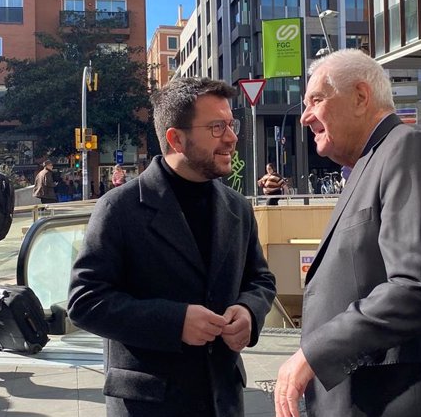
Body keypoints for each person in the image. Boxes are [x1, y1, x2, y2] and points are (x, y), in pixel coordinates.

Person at [274, 49, 421, 417]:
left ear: (360, 97)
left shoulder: (409, 148)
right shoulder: (374, 160)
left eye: (316, 100)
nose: (305, 117)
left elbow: (417, 286)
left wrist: (314, 353)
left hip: (415, 399)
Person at [68, 77, 276, 417]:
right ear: (176, 139)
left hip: (222, 398)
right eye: (216, 126)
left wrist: (250, 311)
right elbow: (85, 301)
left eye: (231, 124)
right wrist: (174, 321)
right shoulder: (118, 208)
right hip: (149, 404)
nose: (231, 137)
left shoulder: (237, 207)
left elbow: (261, 279)